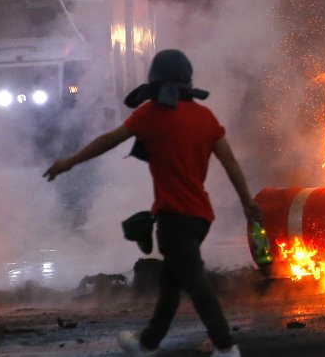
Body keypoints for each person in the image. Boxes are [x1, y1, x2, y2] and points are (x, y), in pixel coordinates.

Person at [43, 49, 260, 357]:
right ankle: (146, 344)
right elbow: (231, 163)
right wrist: (247, 202)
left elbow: (109, 140)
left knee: (195, 282)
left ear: (155, 80)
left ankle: (226, 347)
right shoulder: (206, 117)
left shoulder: (152, 114)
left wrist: (70, 161)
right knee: (171, 282)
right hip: (200, 218)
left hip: (175, 218)